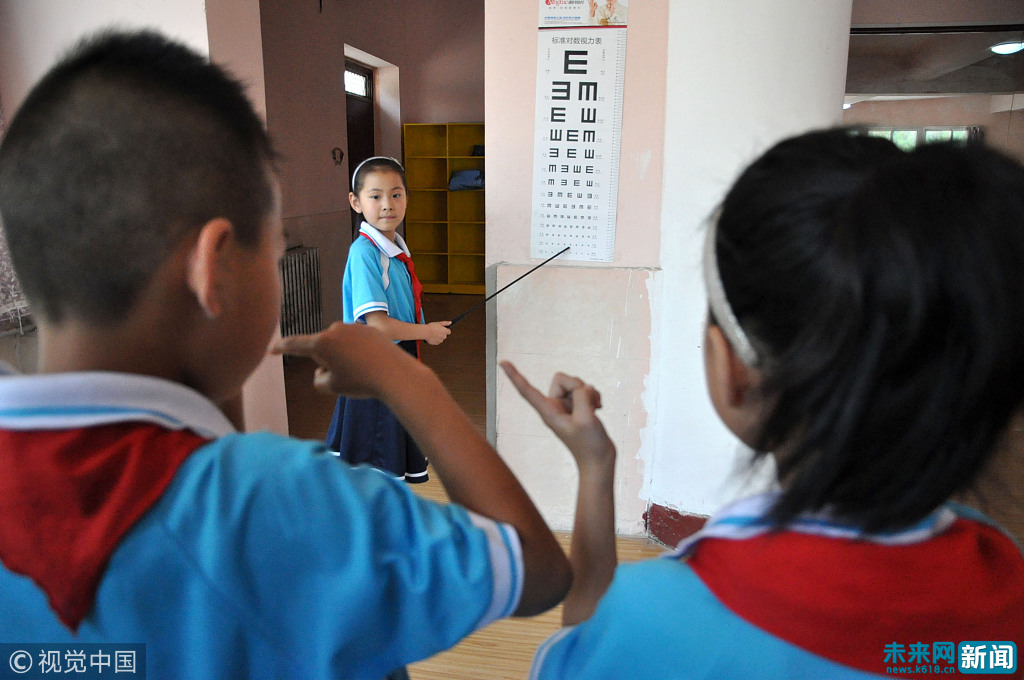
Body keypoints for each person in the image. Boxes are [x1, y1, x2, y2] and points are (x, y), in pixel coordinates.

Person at [0, 29, 572, 680]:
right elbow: (538, 570)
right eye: (273, 250)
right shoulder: (292, 503)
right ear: (214, 268)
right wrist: (406, 382)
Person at [504, 129, 1024, 678]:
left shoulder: (662, 620)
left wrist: (593, 468)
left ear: (730, 369)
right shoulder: (1002, 568)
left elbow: (593, 640)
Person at [325, 156, 450, 483]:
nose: (387, 205)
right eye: (375, 196)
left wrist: (422, 332)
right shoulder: (364, 252)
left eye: (396, 194)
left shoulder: (393, 247)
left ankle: (386, 527)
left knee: (387, 466)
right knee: (374, 470)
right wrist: (426, 331)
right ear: (355, 201)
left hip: (395, 362)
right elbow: (378, 325)